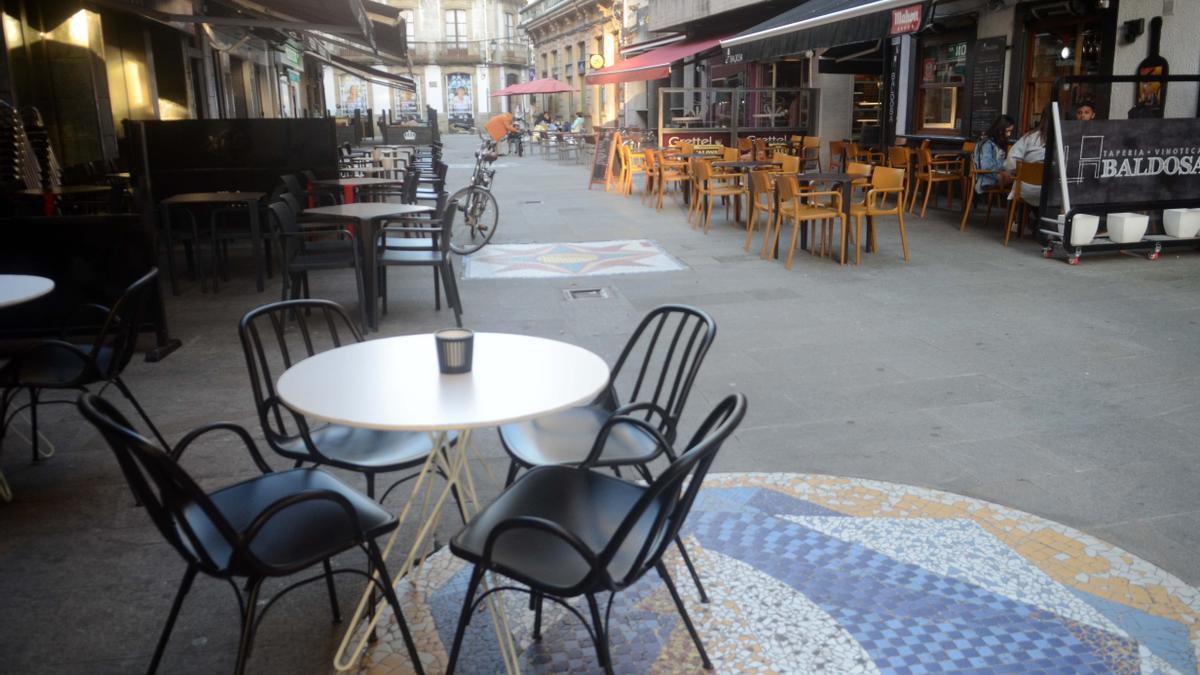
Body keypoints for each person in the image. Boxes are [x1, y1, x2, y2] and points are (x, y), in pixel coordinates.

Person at [1004, 105, 1052, 207]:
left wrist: (1021, 170)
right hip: (1050, 192)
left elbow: (1010, 163)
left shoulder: (1029, 137)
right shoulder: (1064, 139)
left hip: (1024, 189)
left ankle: (1028, 218)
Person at [972, 114, 1014, 194]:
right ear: (1000, 129)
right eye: (1007, 131)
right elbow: (986, 166)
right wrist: (1005, 165)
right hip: (987, 180)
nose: (1009, 134)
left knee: (1016, 177)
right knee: (1018, 180)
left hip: (993, 176)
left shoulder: (995, 142)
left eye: (1010, 131)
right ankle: (1012, 206)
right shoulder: (987, 144)